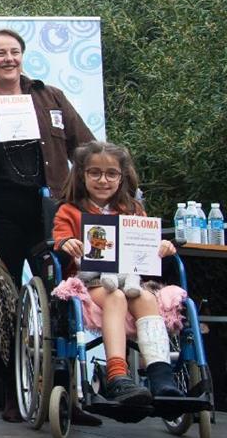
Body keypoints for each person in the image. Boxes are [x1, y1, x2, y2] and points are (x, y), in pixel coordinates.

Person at [0, 27, 95, 422]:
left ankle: (67, 394)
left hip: (50, 214)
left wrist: (102, 193)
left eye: (14, 51)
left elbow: (85, 148)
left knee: (60, 297)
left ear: (22, 56)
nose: (9, 58)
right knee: (4, 304)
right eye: (0, 53)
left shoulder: (50, 97)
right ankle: (12, 393)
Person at [53, 141, 181, 402]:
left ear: (122, 177)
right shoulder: (69, 211)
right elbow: (59, 240)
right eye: (95, 173)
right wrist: (66, 243)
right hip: (91, 282)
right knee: (116, 296)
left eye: (111, 174)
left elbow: (147, 247)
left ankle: (161, 376)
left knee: (147, 298)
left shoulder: (133, 211)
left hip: (131, 279)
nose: (103, 180)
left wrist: (163, 246)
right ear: (82, 175)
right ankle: (117, 375)